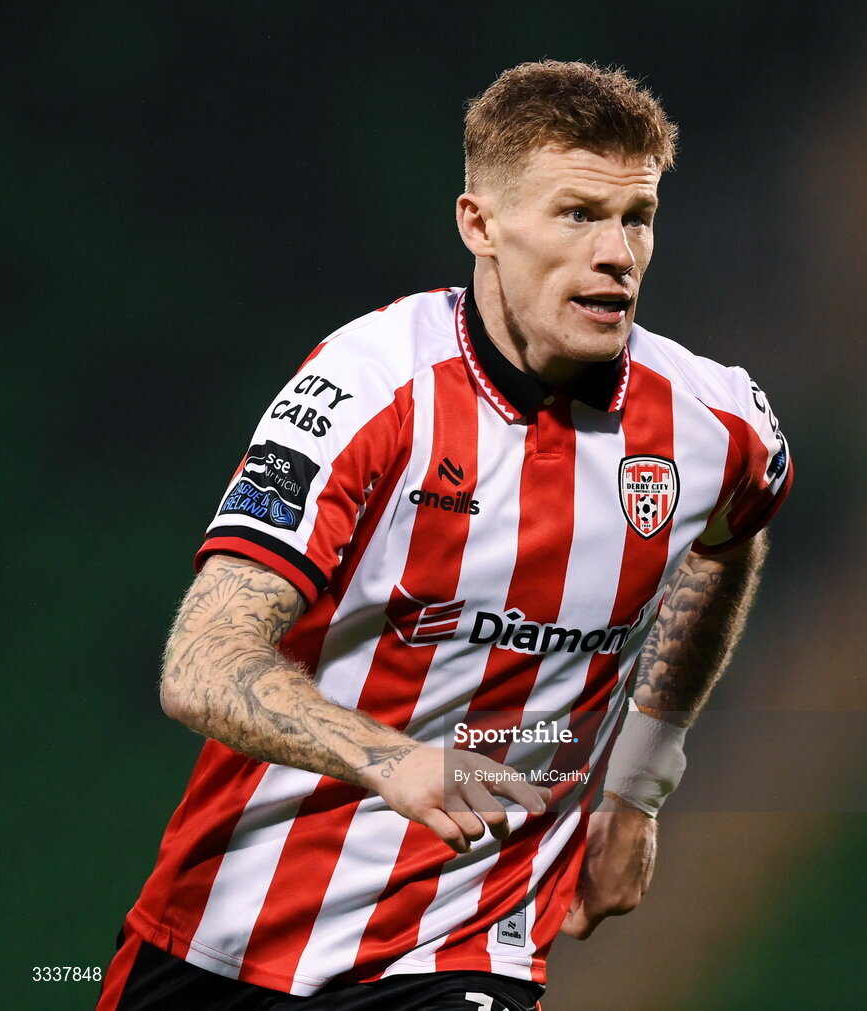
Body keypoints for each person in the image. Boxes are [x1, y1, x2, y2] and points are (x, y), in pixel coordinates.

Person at [98, 60, 792, 1010]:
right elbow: (202, 662)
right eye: (578, 215)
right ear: (481, 226)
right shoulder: (370, 385)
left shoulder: (717, 425)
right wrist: (397, 759)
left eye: (637, 217)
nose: (617, 254)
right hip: (228, 933)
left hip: (466, 944)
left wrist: (639, 779)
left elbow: (731, 536)